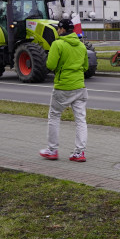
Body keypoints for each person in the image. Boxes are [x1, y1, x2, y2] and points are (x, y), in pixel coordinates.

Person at [39, 18, 90, 162]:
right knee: (81, 120)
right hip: (80, 87)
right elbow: (85, 67)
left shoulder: (57, 44)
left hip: (63, 87)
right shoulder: (81, 46)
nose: (57, 30)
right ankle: (79, 153)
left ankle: (52, 150)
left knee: (54, 116)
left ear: (61, 29)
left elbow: (50, 64)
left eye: (58, 28)